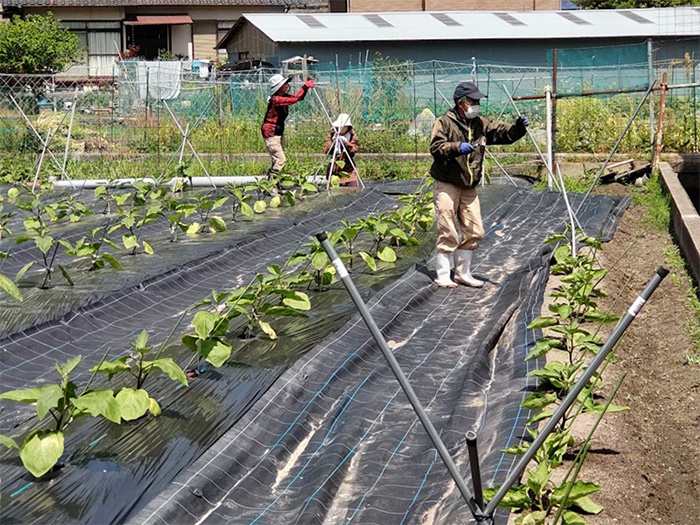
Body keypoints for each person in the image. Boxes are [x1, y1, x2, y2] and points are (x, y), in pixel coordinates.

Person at [429, 81, 529, 288]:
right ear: (461, 103)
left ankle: (462, 273)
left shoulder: (480, 124)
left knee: (475, 230)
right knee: (447, 227)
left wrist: (518, 129)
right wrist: (456, 147)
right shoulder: (444, 122)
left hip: (468, 184)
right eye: (473, 101)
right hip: (448, 181)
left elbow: (503, 135)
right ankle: (443, 274)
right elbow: (436, 147)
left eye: (477, 101)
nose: (476, 104)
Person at [261, 74, 315, 177]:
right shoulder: (276, 99)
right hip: (271, 132)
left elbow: (298, 98)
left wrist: (305, 89)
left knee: (276, 161)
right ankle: (272, 188)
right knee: (281, 160)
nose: (287, 85)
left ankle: (273, 186)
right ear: (279, 87)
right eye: (284, 83)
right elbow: (295, 99)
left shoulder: (282, 97)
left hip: (277, 132)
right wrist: (305, 87)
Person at [323, 113, 359, 187]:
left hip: (348, 168)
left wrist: (346, 143)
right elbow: (326, 151)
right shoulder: (332, 135)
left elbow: (353, 151)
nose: (340, 128)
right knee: (334, 190)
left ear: (348, 127)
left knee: (353, 188)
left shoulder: (352, 136)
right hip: (335, 168)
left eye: (343, 127)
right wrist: (333, 143)